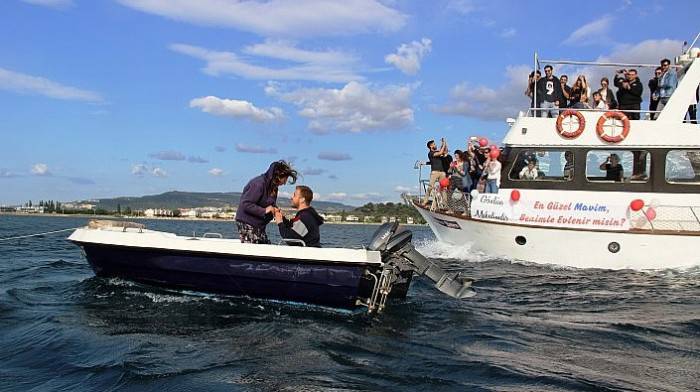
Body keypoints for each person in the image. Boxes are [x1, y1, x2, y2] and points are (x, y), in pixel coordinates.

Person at [235, 160, 298, 244]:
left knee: (266, 245)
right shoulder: (258, 184)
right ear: (278, 176)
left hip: (259, 226)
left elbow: (270, 205)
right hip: (247, 222)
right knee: (256, 247)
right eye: (285, 179)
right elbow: (245, 204)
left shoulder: (274, 188)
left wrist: (275, 210)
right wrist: (264, 211)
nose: (285, 183)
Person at [422, 139, 448, 205]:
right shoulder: (430, 153)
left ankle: (445, 203)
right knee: (430, 187)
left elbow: (443, 151)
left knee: (443, 188)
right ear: (431, 146)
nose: (435, 145)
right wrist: (444, 144)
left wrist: (443, 144)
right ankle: (425, 201)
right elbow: (440, 152)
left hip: (442, 172)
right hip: (435, 172)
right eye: (434, 144)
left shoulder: (437, 152)